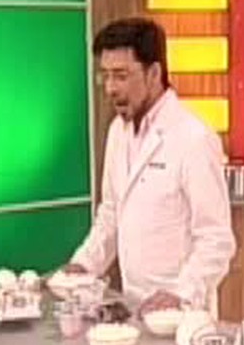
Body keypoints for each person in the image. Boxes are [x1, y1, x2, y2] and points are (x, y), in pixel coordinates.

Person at [65, 17, 235, 314]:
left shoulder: (193, 137)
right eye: (105, 76)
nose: (110, 88)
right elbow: (111, 214)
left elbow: (216, 240)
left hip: (181, 314)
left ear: (154, 72)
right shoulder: (118, 132)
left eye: (121, 76)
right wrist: (84, 264)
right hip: (133, 307)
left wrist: (181, 294)